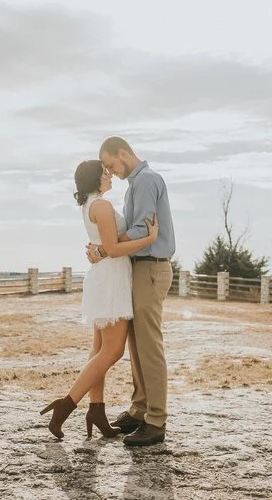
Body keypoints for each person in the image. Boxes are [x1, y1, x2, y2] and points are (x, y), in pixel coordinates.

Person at [40, 159, 158, 439]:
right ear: (96, 178)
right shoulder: (101, 206)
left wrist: (101, 249)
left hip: (104, 276)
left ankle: (97, 408)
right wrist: (148, 237)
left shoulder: (90, 204)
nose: (110, 175)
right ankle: (65, 406)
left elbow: (105, 246)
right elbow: (115, 249)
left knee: (98, 348)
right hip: (111, 280)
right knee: (113, 351)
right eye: (105, 172)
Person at [87, 136, 176, 447]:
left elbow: (144, 230)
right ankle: (139, 410)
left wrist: (107, 246)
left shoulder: (147, 181)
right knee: (136, 345)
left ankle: (156, 420)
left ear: (123, 152)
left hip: (151, 267)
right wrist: (109, 246)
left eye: (112, 164)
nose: (112, 171)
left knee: (149, 345)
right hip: (139, 268)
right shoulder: (136, 184)